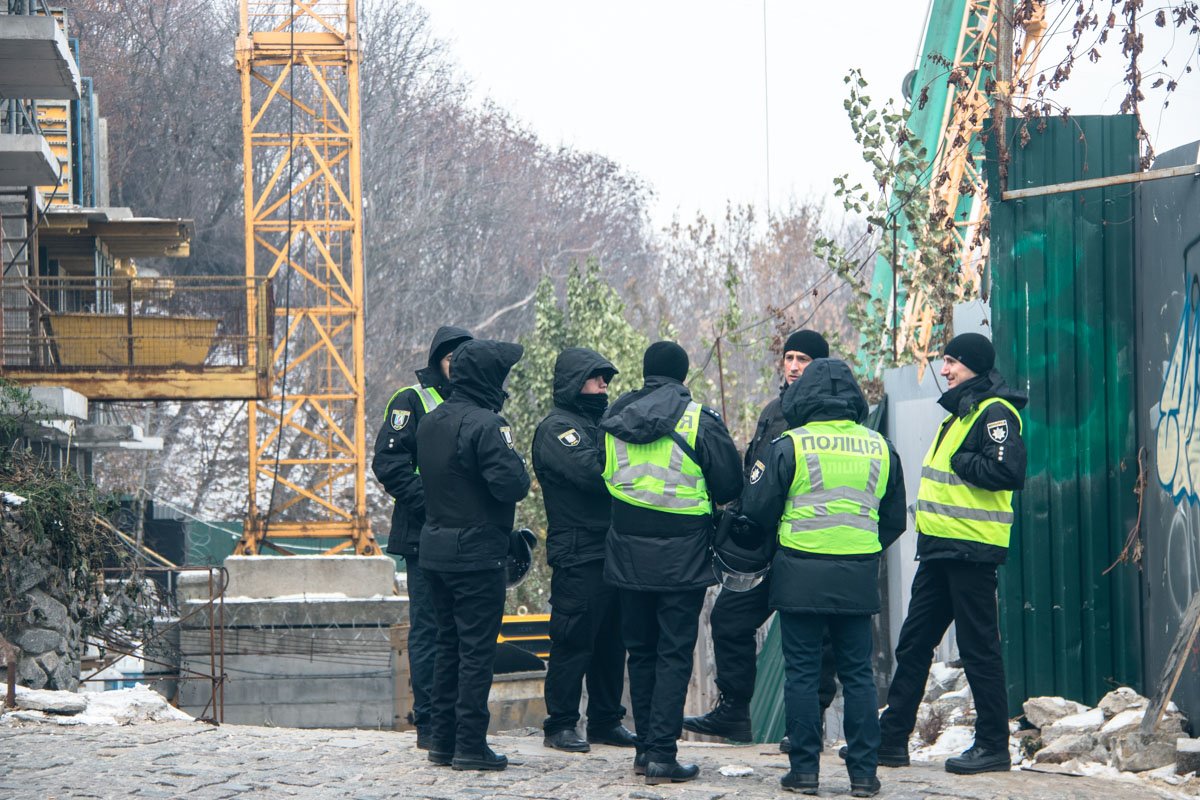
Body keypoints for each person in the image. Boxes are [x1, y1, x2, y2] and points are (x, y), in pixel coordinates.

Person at [742, 358, 906, 798]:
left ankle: (805, 772)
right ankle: (865, 775)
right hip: (855, 577)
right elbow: (893, 521)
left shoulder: (789, 444)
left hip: (799, 574)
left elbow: (756, 509)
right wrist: (860, 547)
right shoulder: (881, 447)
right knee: (858, 675)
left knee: (800, 673)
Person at [876, 332, 1027, 774]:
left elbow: (1008, 469)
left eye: (951, 363)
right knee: (915, 642)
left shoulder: (994, 411)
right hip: (941, 550)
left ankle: (993, 746)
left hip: (971, 551)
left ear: (973, 366)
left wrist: (964, 463)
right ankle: (891, 740)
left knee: (979, 649)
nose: (944, 371)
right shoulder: (961, 414)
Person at [683, 330, 836, 747]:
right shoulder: (773, 410)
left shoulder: (831, 416)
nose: (792, 365)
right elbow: (758, 470)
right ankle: (734, 712)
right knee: (729, 619)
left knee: (813, 639)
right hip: (766, 545)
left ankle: (809, 726)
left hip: (808, 544)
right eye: (788, 357)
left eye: (802, 358)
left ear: (819, 366)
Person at [600, 341, 743, 784]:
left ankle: (645, 751)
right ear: (683, 375)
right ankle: (662, 753)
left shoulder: (613, 420)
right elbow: (728, 484)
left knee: (640, 652)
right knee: (674, 653)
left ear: (644, 373)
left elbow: (599, 475)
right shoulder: (698, 418)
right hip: (682, 555)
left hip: (626, 552)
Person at [416, 338, 530, 771]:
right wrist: (516, 460)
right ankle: (469, 745)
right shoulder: (486, 424)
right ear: (487, 379)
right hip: (477, 554)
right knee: (477, 651)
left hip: (435, 550)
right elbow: (510, 485)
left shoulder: (430, 421)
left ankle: (442, 741)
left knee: (448, 646)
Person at [371, 325, 472, 748]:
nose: (458, 367)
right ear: (438, 361)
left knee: (462, 630)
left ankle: (459, 722)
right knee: (430, 626)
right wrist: (434, 505)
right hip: (423, 531)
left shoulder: (477, 403)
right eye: (451, 359)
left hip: (468, 535)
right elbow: (390, 464)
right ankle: (430, 721)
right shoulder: (411, 400)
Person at [535, 347, 637, 752]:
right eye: (597, 379)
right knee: (573, 638)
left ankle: (605, 720)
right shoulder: (558, 428)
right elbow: (593, 475)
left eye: (606, 379)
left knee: (613, 642)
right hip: (578, 551)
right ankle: (560, 723)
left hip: (611, 549)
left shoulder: (603, 426)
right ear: (576, 382)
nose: (604, 386)